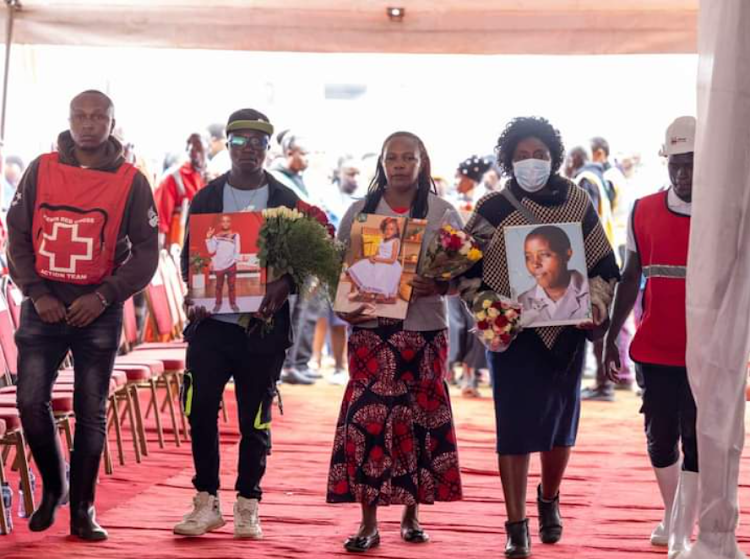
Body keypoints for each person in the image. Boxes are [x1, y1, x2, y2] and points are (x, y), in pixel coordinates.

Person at [461, 117, 619, 558]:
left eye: (540, 155)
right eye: (523, 156)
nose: (532, 163)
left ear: (554, 157)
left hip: (567, 335)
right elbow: (463, 270)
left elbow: (604, 265)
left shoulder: (577, 200)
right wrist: (490, 310)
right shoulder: (492, 207)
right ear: (509, 160)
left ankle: (549, 497)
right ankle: (516, 524)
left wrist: (597, 307)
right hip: (512, 337)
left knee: (559, 427)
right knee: (513, 428)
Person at [7, 90, 159, 540]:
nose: (89, 124)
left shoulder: (132, 181)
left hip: (99, 309)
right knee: (30, 402)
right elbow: (15, 236)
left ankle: (84, 510)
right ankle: (56, 488)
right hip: (43, 308)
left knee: (91, 412)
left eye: (99, 117)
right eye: (80, 115)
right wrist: (35, 292)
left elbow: (147, 252)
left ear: (113, 123)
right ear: (70, 120)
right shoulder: (41, 168)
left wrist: (106, 295)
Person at [328, 131, 463, 552]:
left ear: (422, 161)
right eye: (392, 158)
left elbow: (463, 279)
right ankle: (368, 521)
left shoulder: (443, 213)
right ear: (382, 163)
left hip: (424, 332)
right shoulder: (359, 212)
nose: (400, 165)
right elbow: (339, 274)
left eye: (408, 158)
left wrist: (437, 286)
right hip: (370, 332)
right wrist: (342, 306)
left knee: (419, 418)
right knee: (368, 420)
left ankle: (412, 513)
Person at [175, 108, 299, 539]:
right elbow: (188, 256)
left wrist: (284, 283)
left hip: (261, 331)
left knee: (255, 420)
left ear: (268, 148)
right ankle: (205, 500)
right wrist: (193, 293)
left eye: (257, 142)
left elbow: (302, 264)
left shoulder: (286, 200)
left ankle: (249, 502)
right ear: (226, 145)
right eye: (240, 141)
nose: (249, 149)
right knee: (201, 412)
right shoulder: (207, 198)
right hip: (211, 329)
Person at [603, 116, 698, 558]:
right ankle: (674, 516)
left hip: (707, 350)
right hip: (655, 347)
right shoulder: (642, 210)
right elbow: (630, 275)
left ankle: (680, 530)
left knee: (698, 436)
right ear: (666, 163)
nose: (683, 174)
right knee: (660, 437)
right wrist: (609, 336)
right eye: (677, 165)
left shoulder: (726, 215)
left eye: (693, 165)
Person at [517, 225, 591, 325]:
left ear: (567, 255)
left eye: (544, 254)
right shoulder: (520, 303)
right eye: (528, 257)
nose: (535, 264)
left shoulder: (592, 294)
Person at [154, 133, 207, 248]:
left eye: (198, 146)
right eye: (190, 146)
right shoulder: (173, 178)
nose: (194, 150)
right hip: (178, 247)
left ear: (208, 147)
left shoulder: (215, 177)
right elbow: (160, 220)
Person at [346, 217, 403, 303]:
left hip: (388, 263)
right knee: (359, 266)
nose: (388, 231)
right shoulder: (382, 240)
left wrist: (378, 260)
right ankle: (363, 291)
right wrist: (371, 257)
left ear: (396, 231)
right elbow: (376, 253)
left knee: (380, 270)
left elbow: (392, 260)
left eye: (391, 229)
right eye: (386, 228)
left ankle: (373, 294)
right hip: (378, 260)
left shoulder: (395, 241)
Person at [205, 214, 241, 313]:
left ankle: (233, 304)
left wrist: (234, 261)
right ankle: (218, 304)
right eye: (223, 221)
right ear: (221, 223)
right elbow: (211, 250)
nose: (225, 223)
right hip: (219, 266)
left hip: (231, 265)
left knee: (232, 286)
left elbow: (237, 250)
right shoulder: (216, 236)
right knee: (218, 286)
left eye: (227, 221)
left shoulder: (235, 235)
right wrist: (208, 238)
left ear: (230, 222)